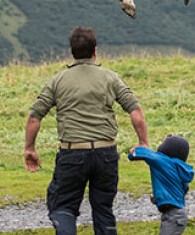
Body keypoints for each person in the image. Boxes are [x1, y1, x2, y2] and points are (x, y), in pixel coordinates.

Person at [24, 26, 150, 235]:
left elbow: (34, 117)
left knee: (63, 206)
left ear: (71, 51)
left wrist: (30, 148)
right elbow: (135, 110)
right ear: (95, 51)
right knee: (103, 209)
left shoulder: (58, 80)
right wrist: (143, 143)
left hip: (72, 153)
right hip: (106, 154)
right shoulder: (110, 77)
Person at [129, 135, 195, 235]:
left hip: (173, 216)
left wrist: (134, 152)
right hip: (177, 215)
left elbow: (142, 153)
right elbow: (179, 190)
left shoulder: (164, 162)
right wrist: (158, 198)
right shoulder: (179, 168)